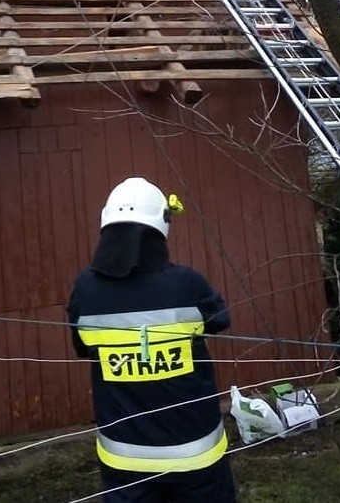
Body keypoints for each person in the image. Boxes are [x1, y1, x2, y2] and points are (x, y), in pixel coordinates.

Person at [68, 177, 236, 502]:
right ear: (160, 225)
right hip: (197, 456)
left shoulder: (85, 291)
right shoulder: (186, 285)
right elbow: (221, 320)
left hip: (124, 461)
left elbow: (81, 345)